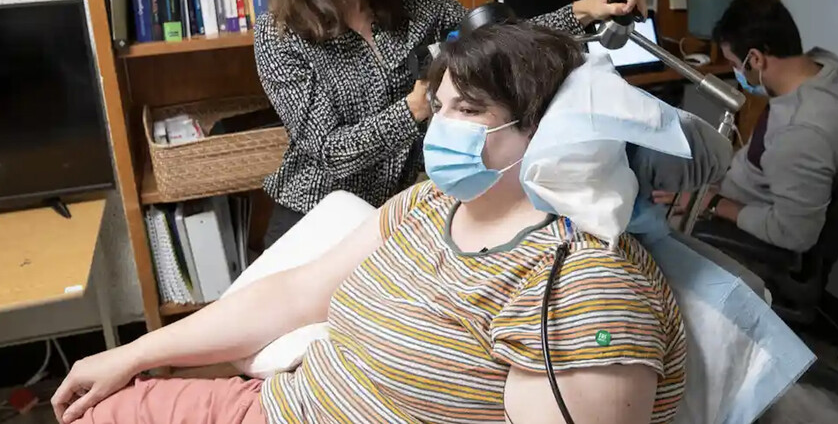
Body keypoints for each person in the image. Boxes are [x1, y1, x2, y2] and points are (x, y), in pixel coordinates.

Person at [52, 23, 685, 424]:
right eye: (438, 108)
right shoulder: (430, 206)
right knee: (97, 407)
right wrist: (130, 353)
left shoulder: (583, 291)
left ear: (548, 130)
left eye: (468, 109)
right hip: (276, 406)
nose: (439, 129)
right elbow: (295, 295)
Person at [255, 0, 646, 245]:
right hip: (315, 215)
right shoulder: (280, 33)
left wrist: (584, 10)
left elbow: (497, 38)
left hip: (396, 215)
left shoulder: (413, 3)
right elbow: (330, 151)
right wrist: (417, 108)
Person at [654, 0, 838, 252]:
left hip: (736, 219)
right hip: (735, 182)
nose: (736, 72)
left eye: (733, 63)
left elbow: (794, 234)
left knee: (649, 227)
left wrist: (710, 202)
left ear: (755, 59)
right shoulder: (828, 67)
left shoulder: (801, 134)